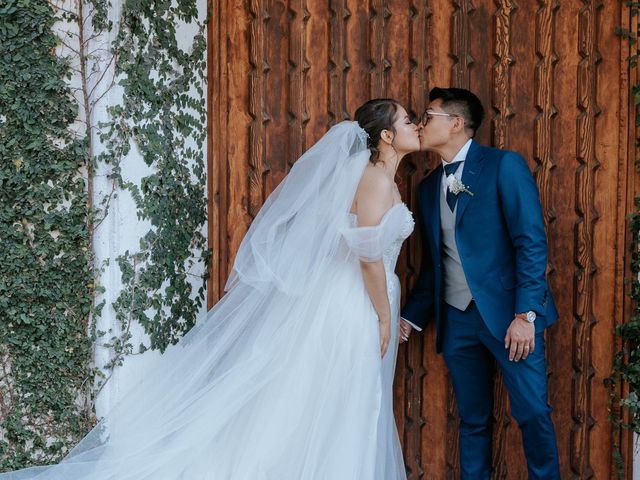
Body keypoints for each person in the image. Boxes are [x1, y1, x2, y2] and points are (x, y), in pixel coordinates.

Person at [0, 99, 419, 480]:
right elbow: (367, 257)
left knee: (325, 401)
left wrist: (387, 308)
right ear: (386, 135)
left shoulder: (375, 178)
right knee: (341, 403)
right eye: (406, 120)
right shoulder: (377, 181)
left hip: (352, 297)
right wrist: (383, 313)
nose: (414, 125)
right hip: (353, 303)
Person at [400, 87, 561, 479]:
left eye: (429, 114)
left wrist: (526, 314)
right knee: (472, 420)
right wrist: (410, 318)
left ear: (456, 123)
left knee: (534, 412)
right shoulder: (426, 189)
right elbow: (435, 266)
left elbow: (531, 243)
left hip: (511, 317)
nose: (421, 123)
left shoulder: (503, 166)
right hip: (457, 322)